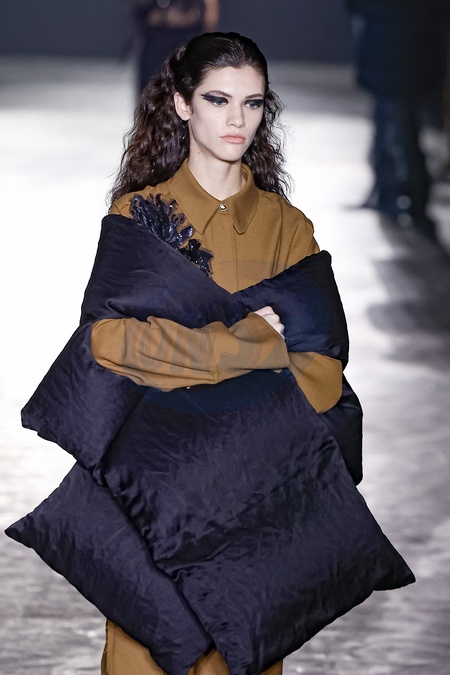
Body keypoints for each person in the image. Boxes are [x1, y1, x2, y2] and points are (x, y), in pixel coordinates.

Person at [95, 30, 344, 674]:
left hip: (252, 505)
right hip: (156, 499)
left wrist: (178, 363)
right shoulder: (139, 216)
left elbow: (322, 373)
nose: (238, 120)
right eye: (218, 99)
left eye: (252, 103)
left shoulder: (288, 228)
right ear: (182, 104)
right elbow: (111, 341)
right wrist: (249, 345)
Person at [346, 0, 450, 240]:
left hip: (387, 55)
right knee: (402, 130)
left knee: (394, 131)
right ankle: (409, 198)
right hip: (415, 56)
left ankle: (397, 196)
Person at [132, 0, 220, 94]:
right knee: (152, 87)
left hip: (187, 32)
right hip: (156, 34)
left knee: (187, 85)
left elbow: (210, 12)